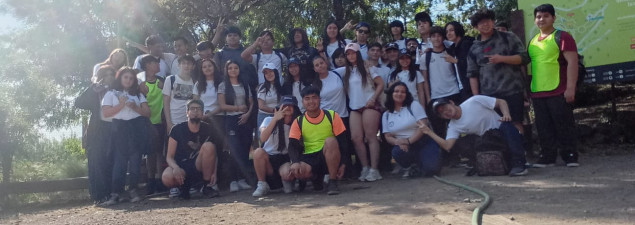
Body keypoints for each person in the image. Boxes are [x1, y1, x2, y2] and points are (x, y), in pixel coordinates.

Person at [420, 96, 529, 176]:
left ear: (451, 102)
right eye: (441, 113)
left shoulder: (474, 101)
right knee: (461, 143)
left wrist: (506, 114)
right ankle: (480, 164)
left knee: (507, 125)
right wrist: (429, 132)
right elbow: (448, 145)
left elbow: (501, 101)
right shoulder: (453, 126)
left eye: (444, 107)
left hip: (502, 133)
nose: (445, 112)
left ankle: (519, 163)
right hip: (488, 143)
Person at [527, 4, 579, 167]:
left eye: (545, 16)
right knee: (543, 127)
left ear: (553, 18)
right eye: (538, 17)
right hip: (538, 92)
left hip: (559, 90)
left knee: (563, 125)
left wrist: (570, 88)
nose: (541, 19)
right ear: (535, 20)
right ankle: (547, 156)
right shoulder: (533, 41)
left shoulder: (563, 36)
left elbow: (573, 62)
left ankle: (570, 155)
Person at [467, 8, 530, 133]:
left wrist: (502, 59)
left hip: (513, 90)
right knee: (497, 126)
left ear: (493, 21)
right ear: (475, 27)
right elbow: (472, 75)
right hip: (489, 96)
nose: (486, 24)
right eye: (481, 23)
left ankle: (524, 151)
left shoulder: (508, 37)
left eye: (488, 21)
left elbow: (524, 58)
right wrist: (477, 98)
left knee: (517, 123)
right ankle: (506, 152)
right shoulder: (474, 49)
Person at [100, 67, 151, 205]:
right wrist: (121, 105)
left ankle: (133, 190)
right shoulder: (110, 94)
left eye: (131, 78)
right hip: (119, 129)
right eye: (125, 77)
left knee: (135, 162)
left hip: (136, 128)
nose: (128, 80)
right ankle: (116, 193)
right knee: (119, 163)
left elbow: (147, 113)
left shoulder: (138, 95)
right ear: (120, 78)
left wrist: (135, 107)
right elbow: (106, 113)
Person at [288, 86, 347, 195]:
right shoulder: (298, 121)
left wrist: (343, 164)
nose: (311, 101)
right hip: (309, 157)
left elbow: (343, 142)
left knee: (330, 141)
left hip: (328, 153)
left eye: (314, 98)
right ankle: (316, 178)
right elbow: (292, 145)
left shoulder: (332, 116)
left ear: (319, 99)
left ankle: (332, 182)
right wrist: (295, 162)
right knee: (296, 171)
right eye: (307, 98)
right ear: (302, 101)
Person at [161, 99, 221, 199]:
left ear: (202, 112)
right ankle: (183, 188)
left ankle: (206, 186)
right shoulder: (177, 129)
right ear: (187, 113)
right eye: (192, 109)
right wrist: (175, 168)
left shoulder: (209, 129)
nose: (195, 111)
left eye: (198, 109)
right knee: (166, 177)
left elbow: (214, 153)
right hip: (181, 165)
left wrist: (214, 173)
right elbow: (169, 157)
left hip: (198, 164)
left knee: (209, 146)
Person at [342, 43, 384, 181]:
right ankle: (365, 167)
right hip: (355, 107)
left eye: (353, 53)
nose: (350, 56)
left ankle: (374, 169)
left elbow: (380, 83)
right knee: (356, 138)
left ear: (358, 53)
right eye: (348, 54)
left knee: (371, 136)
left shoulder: (367, 67)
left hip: (369, 105)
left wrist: (373, 98)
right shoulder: (346, 71)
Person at [75, 65, 116, 204]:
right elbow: (79, 103)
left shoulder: (118, 89)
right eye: (107, 74)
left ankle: (112, 194)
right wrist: (93, 87)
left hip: (115, 129)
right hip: (98, 130)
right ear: (102, 76)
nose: (110, 76)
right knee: (97, 162)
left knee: (111, 162)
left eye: (112, 74)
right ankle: (99, 196)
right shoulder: (95, 90)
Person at [382, 82, 441, 178]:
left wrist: (408, 141)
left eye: (403, 92)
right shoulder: (386, 114)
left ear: (407, 94)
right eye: (396, 91)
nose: (399, 94)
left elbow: (423, 126)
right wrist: (398, 142)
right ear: (391, 93)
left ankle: (425, 162)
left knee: (431, 170)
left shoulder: (414, 105)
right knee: (397, 152)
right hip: (403, 146)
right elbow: (387, 136)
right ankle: (410, 166)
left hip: (423, 141)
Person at [251, 96, 302, 197]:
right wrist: (275, 119)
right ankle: (262, 184)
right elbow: (262, 138)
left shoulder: (297, 124)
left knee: (287, 175)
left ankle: (287, 182)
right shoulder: (268, 119)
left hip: (286, 158)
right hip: (269, 158)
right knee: (258, 152)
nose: (287, 108)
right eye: (284, 105)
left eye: (290, 106)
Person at [419, 26, 463, 138]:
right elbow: (424, 79)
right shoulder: (425, 57)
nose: (436, 38)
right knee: (440, 130)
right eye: (433, 36)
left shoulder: (451, 52)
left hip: (454, 93)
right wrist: (428, 98)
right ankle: (446, 153)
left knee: (459, 126)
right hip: (436, 96)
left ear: (443, 37)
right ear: (430, 39)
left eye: (439, 36)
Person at [217, 60, 254, 192]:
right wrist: (238, 108)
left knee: (245, 150)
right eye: (230, 68)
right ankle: (233, 180)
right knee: (234, 150)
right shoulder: (223, 85)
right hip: (231, 120)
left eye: (235, 67)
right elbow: (222, 106)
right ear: (226, 70)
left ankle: (242, 179)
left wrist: (247, 114)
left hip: (244, 119)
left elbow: (251, 102)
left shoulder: (244, 84)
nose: (233, 70)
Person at [138, 55, 167, 195]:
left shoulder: (162, 81)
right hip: (147, 122)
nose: (158, 64)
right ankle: (151, 181)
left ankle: (160, 179)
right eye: (156, 62)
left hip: (161, 121)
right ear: (148, 65)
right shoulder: (140, 84)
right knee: (150, 153)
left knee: (160, 152)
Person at [162, 55, 196, 133]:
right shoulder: (170, 79)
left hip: (189, 121)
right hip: (173, 120)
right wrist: (168, 122)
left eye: (189, 63)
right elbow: (165, 102)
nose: (186, 66)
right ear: (178, 65)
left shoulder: (195, 82)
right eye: (183, 63)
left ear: (193, 66)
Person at [445, 21, 475, 98]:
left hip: (472, 87)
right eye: (447, 31)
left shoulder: (466, 43)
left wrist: (455, 61)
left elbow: (472, 64)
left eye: (451, 30)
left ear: (457, 29)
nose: (448, 33)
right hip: (462, 88)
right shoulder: (453, 48)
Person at [256, 63, 283, 140]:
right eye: (266, 73)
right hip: (264, 116)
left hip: (278, 117)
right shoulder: (262, 87)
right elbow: (261, 106)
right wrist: (275, 111)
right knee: (264, 141)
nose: (268, 74)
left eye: (270, 71)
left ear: (275, 72)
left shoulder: (280, 86)